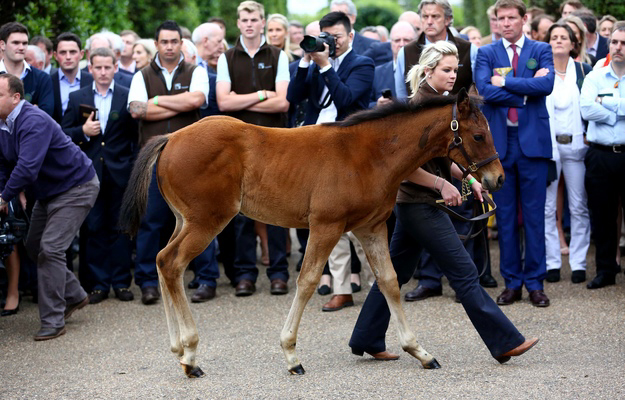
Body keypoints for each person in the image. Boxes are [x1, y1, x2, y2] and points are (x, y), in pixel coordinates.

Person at [349, 41, 538, 363]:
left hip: (417, 205)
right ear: (428, 71)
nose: (453, 76)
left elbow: (441, 157)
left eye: (455, 70)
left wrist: (469, 179)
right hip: (420, 204)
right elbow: (403, 167)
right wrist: (440, 184)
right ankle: (505, 341)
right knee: (464, 273)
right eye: (446, 70)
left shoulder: (440, 106)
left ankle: (365, 336)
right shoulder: (419, 107)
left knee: (394, 271)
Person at [0, 74, 99, 340]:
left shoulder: (33, 120)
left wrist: (4, 196)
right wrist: (6, 192)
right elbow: (5, 163)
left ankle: (54, 320)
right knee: (34, 246)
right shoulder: (3, 123)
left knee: (51, 248)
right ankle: (76, 295)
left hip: (76, 187)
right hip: (48, 193)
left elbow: (27, 167)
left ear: (15, 97)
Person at [287, 11, 374, 311]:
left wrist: (325, 67)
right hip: (316, 146)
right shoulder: (315, 62)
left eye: (336, 37)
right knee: (326, 220)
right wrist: (305, 61)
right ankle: (341, 288)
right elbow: (293, 96)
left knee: (359, 221)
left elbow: (347, 99)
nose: (331, 42)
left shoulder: (362, 64)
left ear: (350, 36)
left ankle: (379, 286)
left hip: (349, 150)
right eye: (326, 36)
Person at [128, 20, 218, 304]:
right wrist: (179, 101)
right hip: (153, 159)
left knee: (200, 218)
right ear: (156, 44)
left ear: (181, 43)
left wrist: (156, 100)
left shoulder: (197, 70)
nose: (169, 46)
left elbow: (197, 101)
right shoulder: (141, 74)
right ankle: (147, 282)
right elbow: (136, 110)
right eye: (164, 42)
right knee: (151, 221)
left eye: (174, 41)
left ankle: (206, 278)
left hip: (192, 161)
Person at [475, 0, 555, 307]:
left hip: (533, 143)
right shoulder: (486, 52)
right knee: (505, 217)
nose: (506, 23)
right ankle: (512, 282)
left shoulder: (540, 50)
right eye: (501, 18)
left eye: (512, 17)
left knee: (534, 216)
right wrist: (526, 90)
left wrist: (506, 82)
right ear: (496, 22)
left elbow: (546, 85)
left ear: (524, 19)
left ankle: (535, 283)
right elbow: (484, 90)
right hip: (499, 146)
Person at [216, 1, 291, 297]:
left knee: (277, 210)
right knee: (241, 212)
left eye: (254, 19)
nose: (249, 24)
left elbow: (283, 102)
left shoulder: (278, 55)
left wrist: (240, 98)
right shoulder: (227, 57)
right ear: (238, 23)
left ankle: (279, 273)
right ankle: (245, 274)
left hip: (275, 144)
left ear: (262, 22)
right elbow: (223, 103)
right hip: (239, 147)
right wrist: (262, 94)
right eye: (244, 19)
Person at [61, 47, 138, 304]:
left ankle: (120, 282)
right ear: (90, 69)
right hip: (88, 173)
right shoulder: (77, 97)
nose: (103, 72)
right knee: (93, 228)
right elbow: (63, 135)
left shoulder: (127, 96)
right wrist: (82, 130)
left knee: (121, 227)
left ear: (116, 68)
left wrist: (132, 167)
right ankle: (98, 284)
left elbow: (133, 136)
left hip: (120, 172)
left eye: (108, 67)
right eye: (98, 68)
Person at [543, 23, 591, 284]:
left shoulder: (585, 71)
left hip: (577, 146)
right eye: (554, 37)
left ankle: (579, 263)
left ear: (573, 44)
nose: (559, 41)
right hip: (548, 149)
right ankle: (552, 262)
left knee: (579, 205)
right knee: (548, 207)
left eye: (564, 37)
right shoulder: (541, 71)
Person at [579, 21, 625, 289]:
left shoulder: (599, 88)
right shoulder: (595, 77)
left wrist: (605, 103)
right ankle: (606, 270)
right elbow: (586, 110)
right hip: (600, 155)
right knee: (603, 216)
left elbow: (596, 106)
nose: (618, 48)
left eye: (623, 43)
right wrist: (619, 111)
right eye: (615, 43)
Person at [395, 0, 477, 100]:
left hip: (460, 113)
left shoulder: (468, 49)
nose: (429, 22)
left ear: (447, 19)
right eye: (425, 16)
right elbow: (401, 95)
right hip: (417, 113)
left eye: (435, 16)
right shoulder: (406, 51)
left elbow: (477, 91)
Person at [0, 22, 54, 117]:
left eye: (24, 43)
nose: (21, 47)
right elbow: (37, 115)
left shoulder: (42, 78)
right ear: (2, 45)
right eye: (15, 43)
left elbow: (45, 116)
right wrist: (31, 111)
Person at [370, 21, 417, 108]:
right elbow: (364, 104)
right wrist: (377, 105)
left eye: (407, 40)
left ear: (415, 42)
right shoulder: (377, 73)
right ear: (390, 43)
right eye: (397, 40)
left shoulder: (425, 71)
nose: (402, 44)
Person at [51, 32, 94, 124]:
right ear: (55, 56)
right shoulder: (47, 82)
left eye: (72, 52)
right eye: (63, 52)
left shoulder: (92, 81)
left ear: (81, 54)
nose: (68, 57)